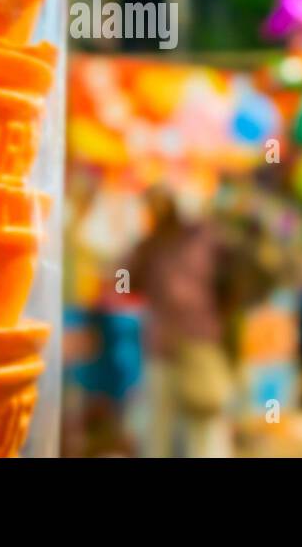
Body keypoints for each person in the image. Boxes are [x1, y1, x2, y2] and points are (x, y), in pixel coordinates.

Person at [127, 185, 234, 458]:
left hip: (199, 343)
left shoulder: (209, 239)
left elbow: (232, 281)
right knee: (158, 427)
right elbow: (126, 280)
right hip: (165, 346)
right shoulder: (153, 244)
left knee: (204, 422)